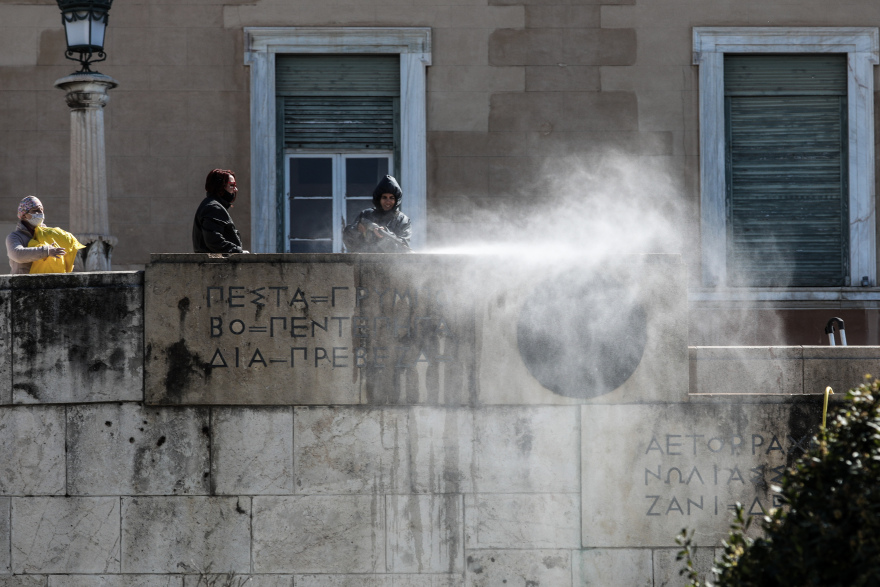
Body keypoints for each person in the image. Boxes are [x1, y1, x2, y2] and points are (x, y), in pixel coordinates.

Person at [342, 175, 412, 253]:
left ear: (397, 200)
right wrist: (357, 230)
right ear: (379, 199)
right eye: (384, 197)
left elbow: (404, 248)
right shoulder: (366, 215)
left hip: (392, 264)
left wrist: (384, 235)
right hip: (364, 263)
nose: (388, 201)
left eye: (391, 198)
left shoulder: (402, 220)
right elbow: (349, 242)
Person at [6, 196, 69, 274]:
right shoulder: (15, 237)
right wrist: (46, 251)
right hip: (22, 283)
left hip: (44, 283)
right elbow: (17, 254)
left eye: (41, 210)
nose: (40, 214)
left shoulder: (49, 234)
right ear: (24, 215)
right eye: (35, 210)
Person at [193, 168, 248, 254]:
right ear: (220, 187)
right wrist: (238, 252)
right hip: (215, 265)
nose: (235, 189)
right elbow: (214, 241)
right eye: (232, 185)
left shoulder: (213, 206)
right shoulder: (213, 207)